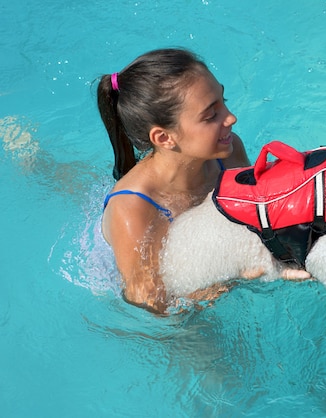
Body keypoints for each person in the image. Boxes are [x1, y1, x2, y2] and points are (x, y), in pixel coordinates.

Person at [98, 48, 308, 314]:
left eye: (224, 100)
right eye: (211, 116)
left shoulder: (227, 155)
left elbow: (256, 213)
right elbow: (154, 308)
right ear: (164, 138)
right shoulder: (133, 210)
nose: (231, 118)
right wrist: (233, 274)